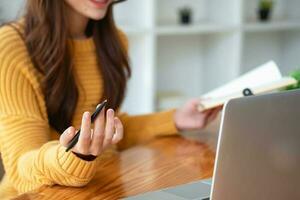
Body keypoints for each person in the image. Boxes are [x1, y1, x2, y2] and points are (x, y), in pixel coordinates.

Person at [0, 0, 220, 198]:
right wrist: (74, 156)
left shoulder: (113, 41)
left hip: (104, 187)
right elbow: (21, 168)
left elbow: (110, 132)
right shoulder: (10, 45)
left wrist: (176, 119)